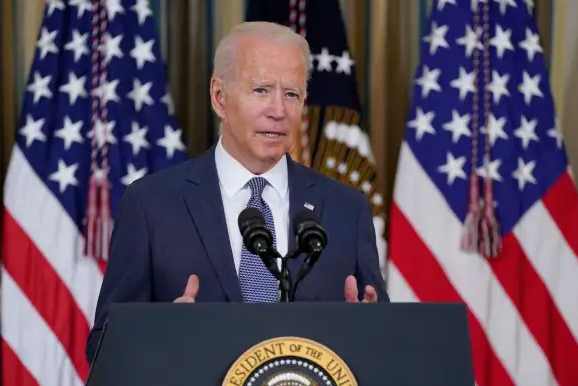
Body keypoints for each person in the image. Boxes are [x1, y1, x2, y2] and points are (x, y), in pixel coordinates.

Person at [85, 21, 388, 362]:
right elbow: (102, 347)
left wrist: (371, 329)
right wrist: (159, 334)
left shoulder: (346, 210)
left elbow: (383, 345)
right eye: (261, 90)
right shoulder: (151, 204)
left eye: (292, 94)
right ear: (219, 98)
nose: (278, 111)